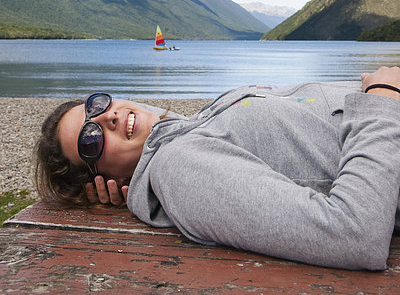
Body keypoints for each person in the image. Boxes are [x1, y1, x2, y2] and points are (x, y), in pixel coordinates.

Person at [35, 66, 400, 271]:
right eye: (90, 139)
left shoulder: (189, 129)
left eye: (97, 105)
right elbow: (354, 234)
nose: (108, 117)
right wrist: (383, 98)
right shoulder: (178, 166)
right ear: (103, 180)